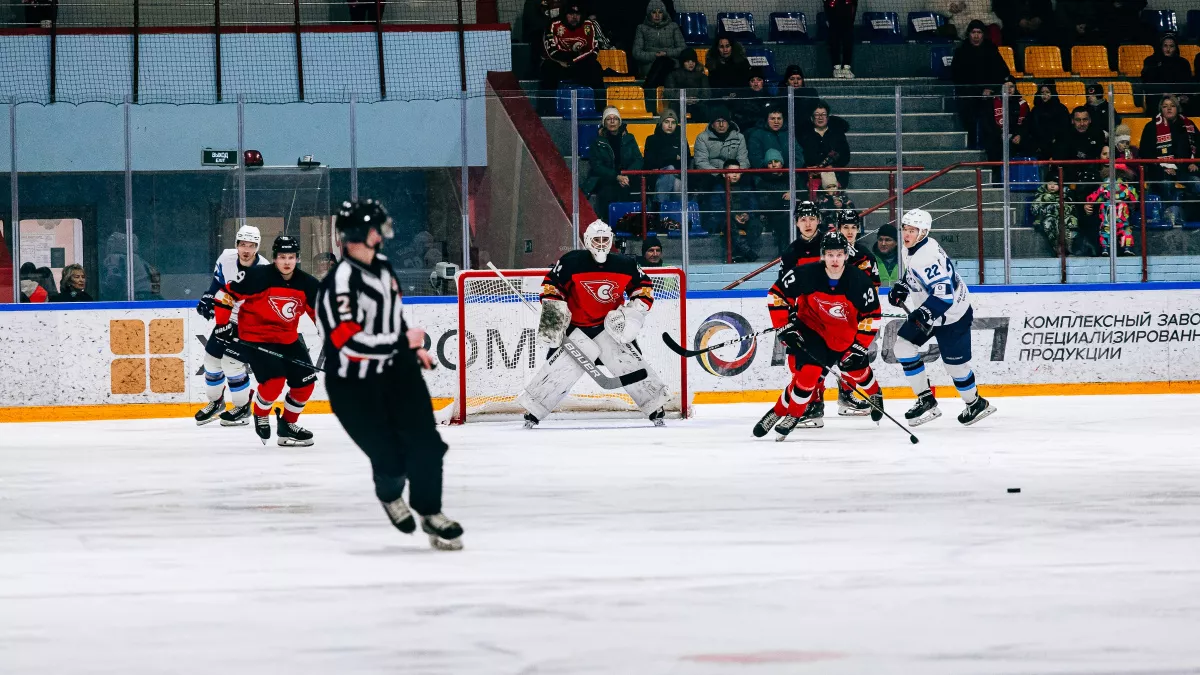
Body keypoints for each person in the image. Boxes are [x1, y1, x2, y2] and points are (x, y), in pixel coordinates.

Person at [317, 199, 463, 551]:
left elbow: (394, 317)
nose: (383, 235)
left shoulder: (383, 267)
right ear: (361, 234)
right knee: (392, 459)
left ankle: (430, 513)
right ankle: (389, 493)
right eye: (376, 229)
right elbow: (347, 343)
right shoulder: (338, 284)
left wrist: (413, 349)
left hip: (398, 373)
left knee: (427, 446)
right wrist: (402, 342)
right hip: (353, 387)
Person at [518, 219, 670, 427]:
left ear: (611, 240)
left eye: (605, 239)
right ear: (588, 241)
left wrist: (635, 311)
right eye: (596, 239)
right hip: (576, 328)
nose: (601, 244)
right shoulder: (571, 261)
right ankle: (534, 409)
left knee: (634, 364)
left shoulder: (625, 264)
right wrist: (554, 309)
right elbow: (551, 285)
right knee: (556, 368)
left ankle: (655, 406)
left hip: (610, 328)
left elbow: (643, 287)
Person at [754, 230, 882, 439]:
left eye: (839, 254)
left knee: (858, 372)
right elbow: (776, 295)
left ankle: (875, 393)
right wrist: (784, 326)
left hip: (845, 338)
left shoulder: (859, 281)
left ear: (846, 255)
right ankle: (788, 414)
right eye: (830, 254)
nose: (834, 259)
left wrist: (860, 345)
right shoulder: (807, 273)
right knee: (807, 376)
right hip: (813, 331)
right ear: (823, 254)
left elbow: (872, 315)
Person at [887, 208, 996, 427]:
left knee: (956, 367)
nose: (906, 234)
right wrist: (903, 286)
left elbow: (944, 296)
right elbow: (915, 275)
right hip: (932, 311)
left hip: (953, 316)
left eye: (912, 230)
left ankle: (975, 403)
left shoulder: (925, 258)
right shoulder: (913, 248)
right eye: (905, 229)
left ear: (924, 232)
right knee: (903, 348)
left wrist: (924, 313)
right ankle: (926, 399)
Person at [218, 235, 320, 446]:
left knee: (306, 384)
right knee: (274, 382)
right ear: (274, 258)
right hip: (256, 338)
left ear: (297, 259)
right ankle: (260, 412)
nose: (286, 262)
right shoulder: (257, 276)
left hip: (288, 338)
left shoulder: (308, 284)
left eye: (291, 257)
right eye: (282, 257)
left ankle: (287, 427)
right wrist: (222, 324)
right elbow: (225, 296)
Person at [194, 225, 270, 427]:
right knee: (210, 361)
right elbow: (217, 284)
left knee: (231, 363)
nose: (246, 249)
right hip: (226, 317)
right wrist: (209, 298)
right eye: (242, 244)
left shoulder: (264, 269)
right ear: (236, 244)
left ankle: (242, 407)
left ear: (257, 247)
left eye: (251, 245)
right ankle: (216, 402)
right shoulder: (226, 258)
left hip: (250, 323)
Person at [951, 20, 1010, 150]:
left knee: (988, 119)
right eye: (973, 32)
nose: (976, 36)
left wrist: (991, 88)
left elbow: (1002, 71)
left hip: (988, 94)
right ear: (969, 34)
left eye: (979, 32)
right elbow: (957, 76)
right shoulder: (961, 51)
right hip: (968, 95)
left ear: (983, 34)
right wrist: (976, 90)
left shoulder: (991, 49)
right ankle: (972, 145)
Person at [692, 105, 750, 229]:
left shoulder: (739, 137)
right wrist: (719, 174)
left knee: (748, 183)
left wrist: (736, 173)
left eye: (724, 121)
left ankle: (747, 215)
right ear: (712, 124)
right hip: (713, 176)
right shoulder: (702, 138)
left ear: (729, 123)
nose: (721, 124)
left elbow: (744, 160)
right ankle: (713, 221)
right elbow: (701, 162)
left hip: (735, 175)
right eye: (718, 121)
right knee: (709, 185)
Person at [584, 107, 644, 221]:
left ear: (619, 121)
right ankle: (609, 224)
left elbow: (638, 160)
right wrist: (617, 176)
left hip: (627, 177)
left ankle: (627, 225)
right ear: (604, 123)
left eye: (615, 119)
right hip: (607, 178)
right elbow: (597, 165)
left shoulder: (629, 138)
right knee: (609, 191)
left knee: (628, 189)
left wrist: (627, 175)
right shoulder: (597, 142)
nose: (612, 121)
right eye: (608, 119)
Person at [539, 3, 604, 109]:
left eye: (577, 14)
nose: (574, 17)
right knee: (548, 68)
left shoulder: (588, 25)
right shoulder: (554, 24)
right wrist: (570, 57)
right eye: (571, 14)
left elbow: (593, 51)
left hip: (579, 65)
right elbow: (552, 51)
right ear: (565, 14)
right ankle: (547, 109)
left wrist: (573, 61)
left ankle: (602, 109)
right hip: (559, 64)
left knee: (595, 67)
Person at [1137, 95, 1200, 203]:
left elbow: (1199, 145)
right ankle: (1171, 213)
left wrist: (1195, 163)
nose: (1169, 108)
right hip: (1161, 170)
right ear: (1161, 109)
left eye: (1172, 106)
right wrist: (1162, 167)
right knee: (1166, 184)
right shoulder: (1151, 127)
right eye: (1165, 106)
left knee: (1197, 183)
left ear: (1177, 108)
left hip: (1186, 169)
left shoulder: (1189, 125)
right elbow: (1145, 152)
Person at [631, 0, 684, 110]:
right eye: (653, 12)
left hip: (671, 65)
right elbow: (636, 53)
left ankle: (648, 90)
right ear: (649, 14)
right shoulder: (641, 28)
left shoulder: (673, 27)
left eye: (660, 12)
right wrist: (655, 55)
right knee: (662, 62)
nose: (657, 15)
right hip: (650, 67)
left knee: (665, 61)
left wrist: (666, 53)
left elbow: (683, 49)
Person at [1085, 153, 1138, 256]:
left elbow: (1096, 195)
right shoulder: (1126, 185)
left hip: (1107, 209)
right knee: (1124, 229)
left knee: (1106, 229)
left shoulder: (1105, 184)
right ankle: (1126, 248)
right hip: (1120, 210)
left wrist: (1089, 201)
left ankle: (1106, 249)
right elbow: (1134, 197)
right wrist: (1133, 203)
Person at [642, 109, 689, 210]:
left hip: (678, 175)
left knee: (677, 182)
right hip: (656, 176)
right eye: (666, 122)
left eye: (673, 123)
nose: (670, 126)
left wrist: (663, 156)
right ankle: (672, 215)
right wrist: (673, 156)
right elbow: (650, 162)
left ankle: (659, 209)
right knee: (672, 174)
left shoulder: (682, 140)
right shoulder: (651, 139)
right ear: (661, 123)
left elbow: (686, 162)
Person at [799, 100, 852, 189]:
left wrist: (833, 167)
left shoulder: (837, 134)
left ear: (827, 117)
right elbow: (799, 156)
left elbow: (845, 155)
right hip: (810, 174)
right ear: (812, 118)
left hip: (834, 173)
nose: (820, 117)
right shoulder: (804, 135)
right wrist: (807, 167)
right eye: (817, 115)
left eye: (823, 114)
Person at [1053, 106, 1105, 188]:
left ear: (1090, 120)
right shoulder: (1063, 135)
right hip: (1069, 174)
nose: (1082, 124)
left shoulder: (1097, 134)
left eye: (1085, 119)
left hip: (1091, 174)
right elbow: (1059, 159)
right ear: (1072, 121)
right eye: (1078, 120)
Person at [1031, 173, 1081, 255]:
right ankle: (1056, 248)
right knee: (1049, 223)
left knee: (1072, 222)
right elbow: (1034, 209)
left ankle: (1069, 247)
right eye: (1050, 184)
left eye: (1055, 184)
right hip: (1048, 217)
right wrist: (1045, 202)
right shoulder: (1041, 195)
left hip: (1065, 216)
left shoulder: (1067, 194)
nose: (1052, 186)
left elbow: (1073, 207)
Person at [1019, 82, 1071, 160]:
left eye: (1047, 92)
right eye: (1042, 92)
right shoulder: (1035, 110)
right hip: (1039, 145)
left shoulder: (1061, 108)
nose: (1044, 95)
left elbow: (1065, 127)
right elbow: (1030, 126)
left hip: (1057, 145)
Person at [1141, 33, 1192, 112]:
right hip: (1157, 97)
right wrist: (1163, 94)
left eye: (1171, 46)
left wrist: (1181, 97)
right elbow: (1147, 82)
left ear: (1175, 48)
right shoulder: (1151, 61)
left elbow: (1188, 84)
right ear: (1161, 47)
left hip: (1178, 98)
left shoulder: (1183, 63)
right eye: (1165, 46)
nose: (1168, 49)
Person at [721, 160, 759, 262]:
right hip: (727, 219)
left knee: (756, 224)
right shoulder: (718, 188)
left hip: (744, 218)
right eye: (731, 172)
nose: (735, 175)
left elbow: (754, 205)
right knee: (729, 224)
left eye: (737, 172)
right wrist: (733, 216)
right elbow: (717, 208)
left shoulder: (746, 188)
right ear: (724, 174)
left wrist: (748, 215)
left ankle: (743, 252)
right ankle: (747, 252)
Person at [756, 149, 792, 254]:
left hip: (792, 212)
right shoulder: (763, 181)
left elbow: (803, 193)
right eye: (770, 163)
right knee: (785, 220)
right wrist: (782, 199)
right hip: (775, 214)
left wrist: (794, 194)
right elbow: (764, 203)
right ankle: (784, 254)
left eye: (776, 161)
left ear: (781, 163)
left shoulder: (791, 177)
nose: (773, 165)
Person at [663, 47, 710, 121]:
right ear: (682, 62)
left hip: (696, 104)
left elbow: (707, 93)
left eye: (693, 61)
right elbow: (668, 93)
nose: (691, 63)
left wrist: (697, 99)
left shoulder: (702, 76)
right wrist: (683, 99)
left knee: (703, 109)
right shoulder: (673, 75)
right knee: (673, 107)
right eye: (687, 61)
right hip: (678, 103)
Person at [935, 0, 1002, 42]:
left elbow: (986, 7)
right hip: (959, 21)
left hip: (984, 18)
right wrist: (950, 7)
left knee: (994, 29)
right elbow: (940, 5)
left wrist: (966, 6)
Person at [825, 0, 858, 79]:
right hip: (833, 10)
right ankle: (837, 67)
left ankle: (846, 68)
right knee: (834, 39)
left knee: (848, 40)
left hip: (847, 11)